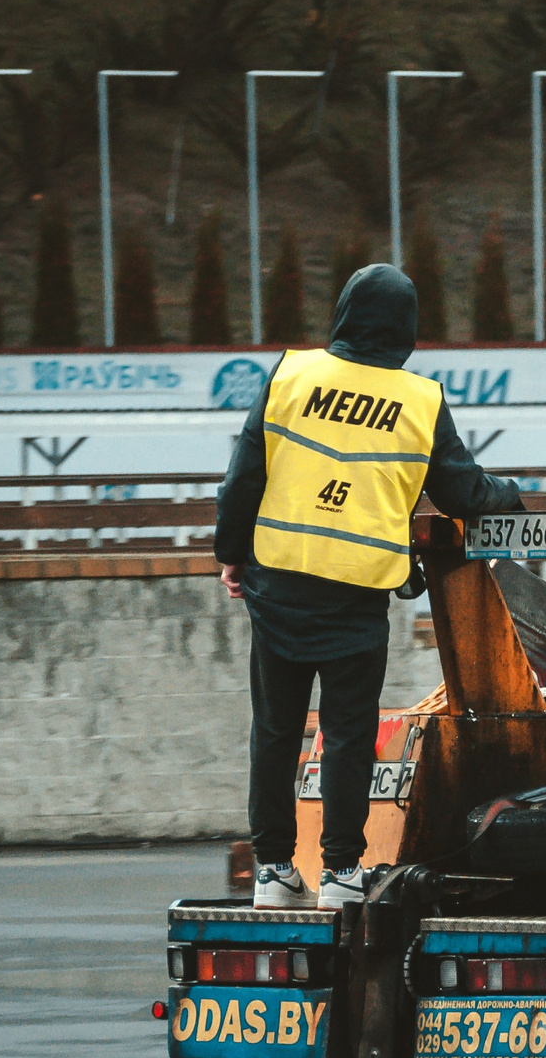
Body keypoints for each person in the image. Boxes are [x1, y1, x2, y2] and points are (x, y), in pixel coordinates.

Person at [215, 264, 520, 909]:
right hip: (355, 600)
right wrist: (513, 498)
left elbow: (243, 477)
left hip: (278, 588)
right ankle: (340, 875)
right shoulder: (419, 400)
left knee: (274, 730)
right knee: (349, 738)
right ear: (407, 330)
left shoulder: (290, 375)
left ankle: (273, 871)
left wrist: (232, 554)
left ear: (344, 315)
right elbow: (464, 493)